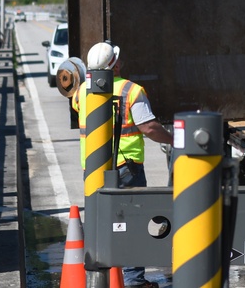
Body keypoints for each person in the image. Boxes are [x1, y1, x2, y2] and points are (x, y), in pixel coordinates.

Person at [73, 41, 173, 288]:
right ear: (114, 65)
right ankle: (134, 280)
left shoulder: (81, 92)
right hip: (127, 167)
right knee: (133, 221)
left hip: (93, 169)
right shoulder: (132, 91)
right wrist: (176, 140)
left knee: (102, 219)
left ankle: (100, 275)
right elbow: (148, 127)